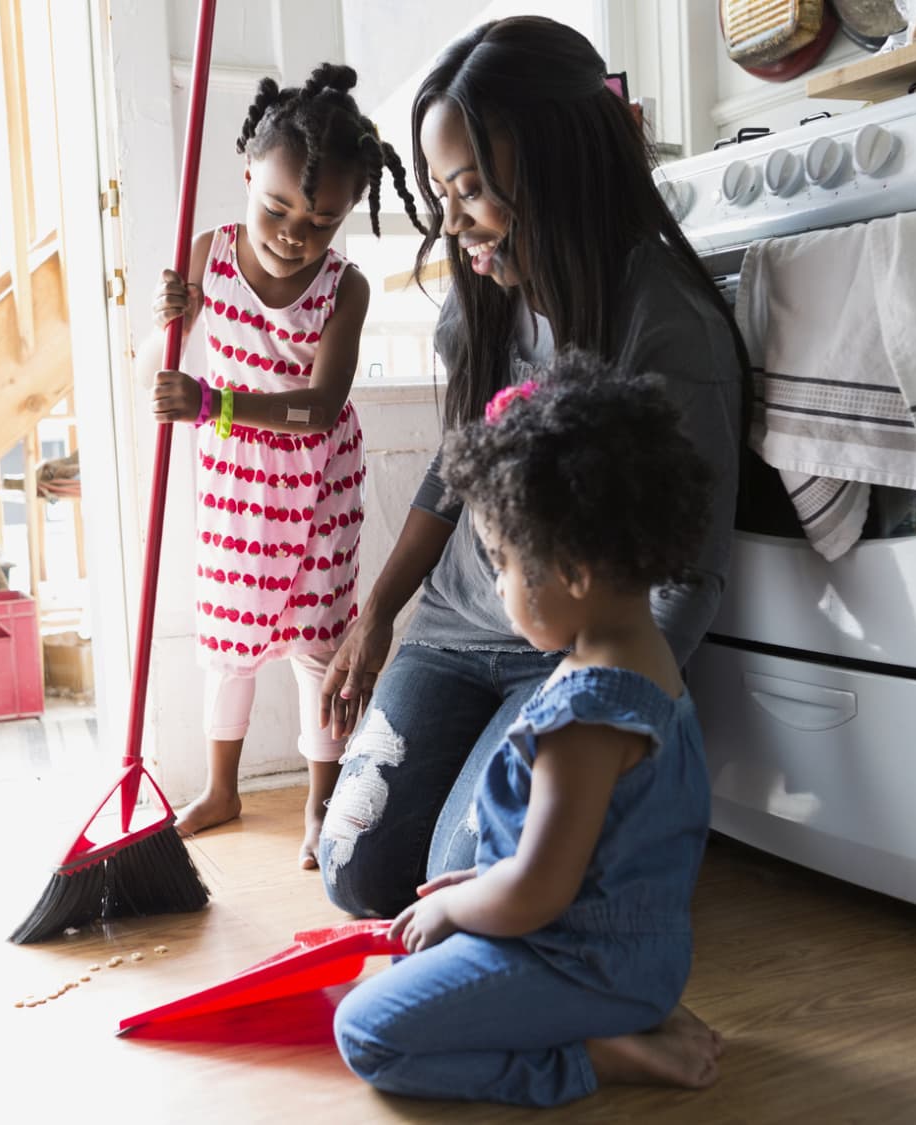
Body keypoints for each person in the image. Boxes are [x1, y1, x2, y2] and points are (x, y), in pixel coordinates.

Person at [316, 16, 745, 917]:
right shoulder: (484, 303)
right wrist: (379, 613)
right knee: (355, 867)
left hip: (571, 650)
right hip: (453, 634)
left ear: (559, 166)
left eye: (472, 190)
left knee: (467, 877)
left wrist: (600, 717)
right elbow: (453, 471)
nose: (454, 222)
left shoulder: (665, 330)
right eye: (441, 193)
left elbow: (687, 576)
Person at [333, 356, 725, 1106]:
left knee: (367, 1030)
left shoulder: (583, 713)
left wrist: (460, 903)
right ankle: (632, 1017)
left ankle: (595, 1056)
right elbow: (598, 853)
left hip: (583, 964)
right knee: (420, 953)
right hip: (641, 956)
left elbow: (539, 893)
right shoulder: (651, 667)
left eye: (505, 564)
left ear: (573, 571)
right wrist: (479, 883)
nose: (501, 589)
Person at [150, 63, 424, 866]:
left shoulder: (347, 289)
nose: (293, 234)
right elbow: (153, 369)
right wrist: (170, 321)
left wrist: (214, 404)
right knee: (230, 641)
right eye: (275, 207)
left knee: (315, 644)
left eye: (321, 219)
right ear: (246, 178)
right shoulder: (209, 255)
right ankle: (222, 786)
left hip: (315, 488)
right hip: (235, 488)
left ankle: (319, 801)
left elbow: (322, 405)